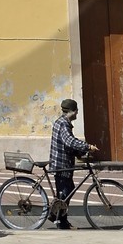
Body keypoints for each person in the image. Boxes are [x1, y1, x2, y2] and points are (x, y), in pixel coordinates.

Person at [48, 98, 98, 230]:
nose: (77, 113)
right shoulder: (64, 124)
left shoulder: (62, 122)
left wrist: (79, 152)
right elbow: (70, 141)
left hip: (63, 163)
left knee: (67, 190)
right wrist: (88, 146)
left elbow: (68, 144)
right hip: (61, 164)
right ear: (72, 111)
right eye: (76, 110)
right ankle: (60, 221)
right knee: (65, 192)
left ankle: (57, 216)